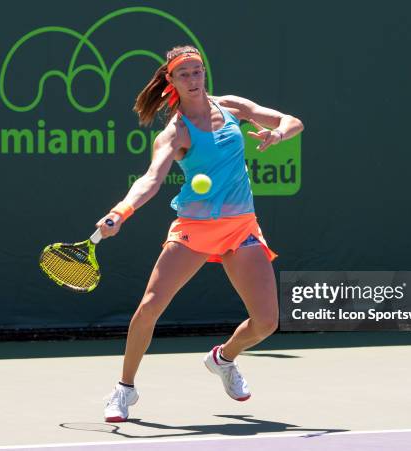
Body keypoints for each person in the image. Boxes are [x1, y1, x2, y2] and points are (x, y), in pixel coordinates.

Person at [96, 45, 304, 422]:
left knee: (266, 322)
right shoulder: (174, 133)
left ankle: (223, 358)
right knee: (149, 308)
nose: (194, 79)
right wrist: (120, 211)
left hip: (241, 226)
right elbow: (151, 179)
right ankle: (125, 389)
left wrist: (279, 135)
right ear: (171, 82)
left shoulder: (231, 107)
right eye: (185, 74)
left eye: (198, 71)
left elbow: (290, 120)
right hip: (194, 228)